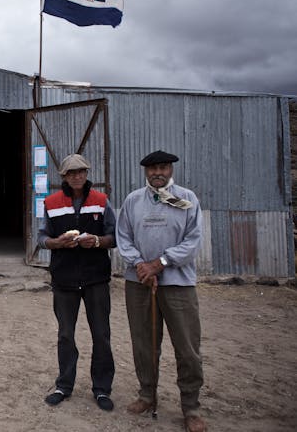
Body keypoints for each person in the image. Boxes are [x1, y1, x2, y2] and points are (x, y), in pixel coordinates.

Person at [116, 150, 206, 432]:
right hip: (139, 282)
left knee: (187, 348)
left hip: (178, 283)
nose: (158, 172)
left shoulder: (188, 199)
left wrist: (161, 263)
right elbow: (124, 237)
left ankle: (190, 407)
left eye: (163, 167)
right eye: (153, 168)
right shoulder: (133, 200)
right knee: (144, 343)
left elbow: (192, 241)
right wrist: (141, 265)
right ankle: (147, 395)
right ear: (145, 171)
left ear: (171, 170)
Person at [38, 154, 116, 412]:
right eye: (71, 173)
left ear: (86, 173)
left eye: (81, 171)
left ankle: (102, 389)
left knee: (102, 335)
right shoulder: (51, 203)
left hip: (96, 278)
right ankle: (64, 385)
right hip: (64, 279)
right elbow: (41, 237)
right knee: (65, 335)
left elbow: (113, 237)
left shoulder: (101, 201)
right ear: (64, 177)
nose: (77, 176)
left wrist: (96, 241)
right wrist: (56, 243)